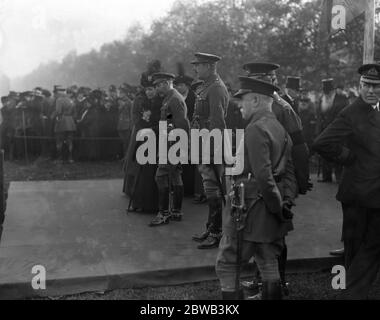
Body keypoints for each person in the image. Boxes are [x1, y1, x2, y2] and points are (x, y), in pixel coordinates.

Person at [216, 77, 297, 300]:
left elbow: (263, 175)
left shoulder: (255, 128)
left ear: (255, 100)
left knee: (228, 264)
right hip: (271, 209)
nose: (239, 106)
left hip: (249, 209)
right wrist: (284, 203)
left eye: (242, 100)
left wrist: (276, 207)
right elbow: (289, 172)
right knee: (268, 260)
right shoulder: (280, 128)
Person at [312, 63, 380, 299]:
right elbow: (322, 143)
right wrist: (348, 158)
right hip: (358, 194)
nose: (372, 91)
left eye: (377, 86)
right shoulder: (351, 113)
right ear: (360, 86)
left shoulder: (377, 111)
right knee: (357, 248)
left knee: (369, 246)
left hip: (374, 194)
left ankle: (350, 292)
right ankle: (350, 293)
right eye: (367, 85)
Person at [190, 52, 229, 250]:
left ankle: (216, 232)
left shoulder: (216, 88)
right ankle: (210, 227)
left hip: (211, 145)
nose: (194, 69)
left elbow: (218, 122)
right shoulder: (207, 86)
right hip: (202, 142)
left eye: (198, 65)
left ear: (209, 66)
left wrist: (213, 150)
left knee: (213, 189)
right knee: (208, 187)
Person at [148, 73, 190, 226]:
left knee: (161, 176)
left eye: (159, 85)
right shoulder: (170, 98)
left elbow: (182, 124)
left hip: (172, 144)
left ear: (166, 83)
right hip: (170, 142)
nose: (158, 89)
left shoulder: (174, 99)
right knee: (175, 176)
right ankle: (176, 211)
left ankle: (164, 213)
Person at [124, 73, 162, 214]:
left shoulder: (161, 103)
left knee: (153, 171)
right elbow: (137, 119)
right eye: (147, 90)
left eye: (152, 89)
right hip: (144, 138)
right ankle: (140, 202)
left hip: (157, 139)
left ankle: (153, 204)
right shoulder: (143, 103)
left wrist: (154, 129)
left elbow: (165, 120)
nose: (149, 92)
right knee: (143, 170)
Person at [315, 78, 349, 183]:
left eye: (328, 92)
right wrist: (318, 131)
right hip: (324, 131)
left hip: (338, 131)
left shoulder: (342, 99)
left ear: (333, 90)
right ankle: (326, 176)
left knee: (338, 152)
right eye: (325, 92)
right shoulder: (322, 99)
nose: (327, 94)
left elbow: (345, 116)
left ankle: (339, 176)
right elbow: (320, 117)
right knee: (325, 153)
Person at [174, 65, 196, 197]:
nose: (178, 87)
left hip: (191, 132)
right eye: (176, 85)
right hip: (178, 132)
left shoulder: (194, 98)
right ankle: (181, 187)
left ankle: (190, 188)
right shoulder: (175, 98)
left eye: (181, 85)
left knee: (190, 161)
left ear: (187, 86)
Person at [53, 86, 77, 163]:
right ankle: (70, 158)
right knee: (70, 141)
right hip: (71, 122)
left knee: (59, 141)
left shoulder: (59, 100)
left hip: (62, 122)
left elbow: (58, 111)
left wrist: (53, 116)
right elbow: (74, 113)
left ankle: (60, 158)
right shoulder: (71, 101)